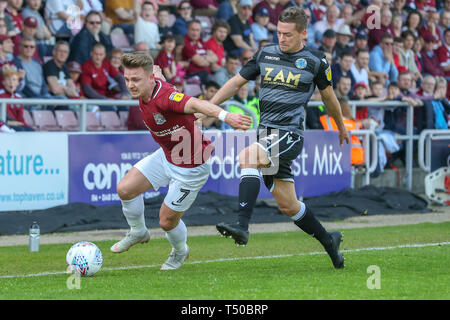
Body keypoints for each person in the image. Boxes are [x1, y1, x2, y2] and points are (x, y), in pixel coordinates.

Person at [210, 7, 348, 269]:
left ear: (302, 34)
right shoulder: (265, 54)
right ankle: (329, 241)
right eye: (279, 33)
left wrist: (340, 126)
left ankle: (242, 225)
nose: (281, 38)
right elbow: (236, 82)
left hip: (290, 134)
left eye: (287, 34)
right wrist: (211, 107)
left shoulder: (316, 61)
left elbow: (329, 97)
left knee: (248, 155)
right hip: (267, 135)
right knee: (288, 205)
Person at [111, 52, 251, 271]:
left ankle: (180, 251)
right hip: (167, 154)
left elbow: (197, 104)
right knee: (125, 189)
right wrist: (151, 68)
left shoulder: (166, 98)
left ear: (149, 79)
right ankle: (138, 231)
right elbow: (155, 68)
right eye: (127, 79)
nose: (130, 85)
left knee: (166, 221)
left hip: (191, 166)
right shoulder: (150, 80)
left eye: (135, 79)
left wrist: (226, 116)